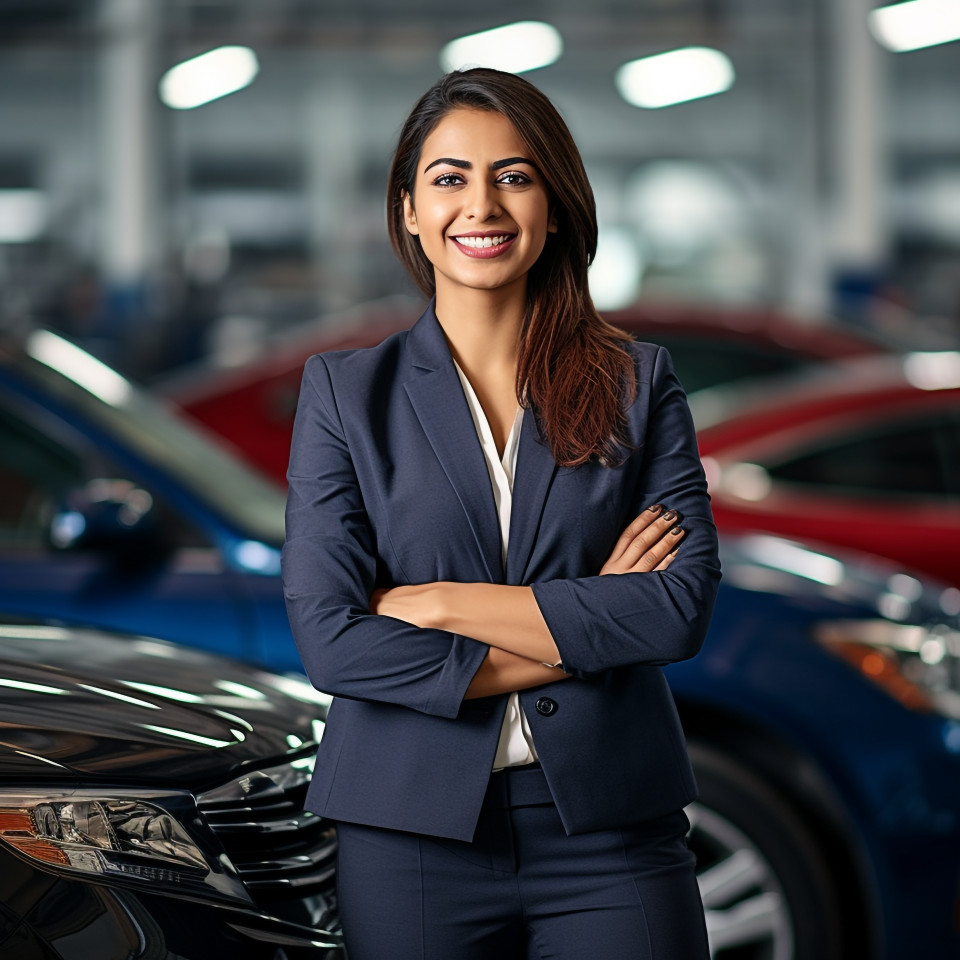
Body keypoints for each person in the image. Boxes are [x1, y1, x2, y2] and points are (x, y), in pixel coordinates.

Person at [282, 67, 721, 960]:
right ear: (408, 209)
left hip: (613, 830)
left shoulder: (636, 382)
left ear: (554, 205)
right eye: (449, 178)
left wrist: (438, 605)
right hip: (408, 833)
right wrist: (591, 629)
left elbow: (676, 610)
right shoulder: (344, 394)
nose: (480, 205)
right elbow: (335, 640)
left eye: (514, 176)